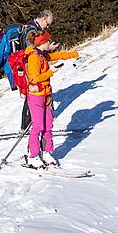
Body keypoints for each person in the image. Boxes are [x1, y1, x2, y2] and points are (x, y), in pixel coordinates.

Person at [23, 31, 79, 168]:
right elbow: (34, 78)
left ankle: (47, 152)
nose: (50, 43)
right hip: (36, 96)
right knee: (38, 126)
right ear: (43, 43)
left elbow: (56, 55)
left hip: (46, 95)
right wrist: (51, 71)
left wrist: (73, 54)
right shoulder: (34, 58)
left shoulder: (42, 55)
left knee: (48, 125)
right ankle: (33, 155)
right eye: (48, 41)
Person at [12, 10, 54, 131]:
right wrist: (47, 48)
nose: (48, 26)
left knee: (32, 95)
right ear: (42, 19)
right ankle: (26, 125)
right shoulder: (32, 30)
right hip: (30, 67)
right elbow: (32, 49)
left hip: (30, 66)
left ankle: (32, 122)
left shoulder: (31, 27)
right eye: (48, 23)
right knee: (31, 94)